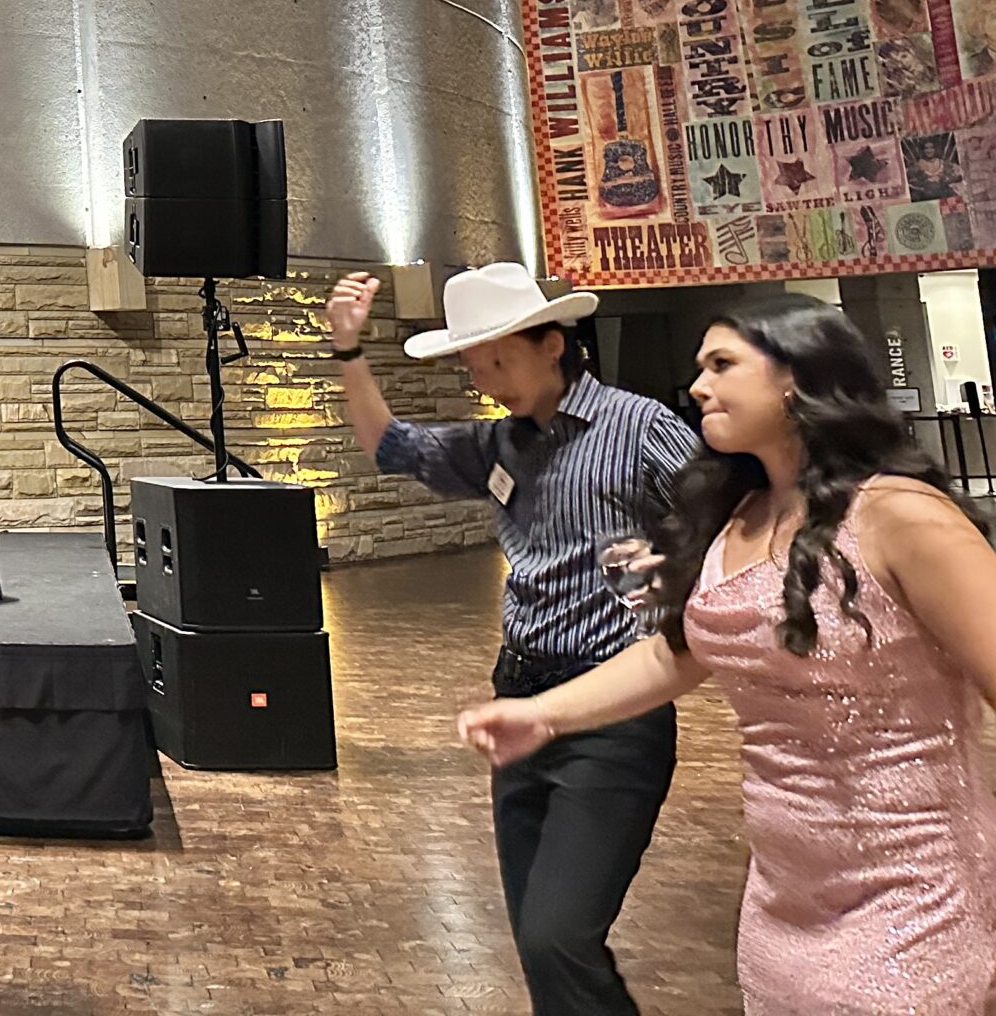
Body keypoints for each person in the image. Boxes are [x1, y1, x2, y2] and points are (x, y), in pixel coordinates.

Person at [462, 300, 996, 1015]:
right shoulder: (738, 518)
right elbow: (677, 655)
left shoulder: (900, 515)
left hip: (914, 893)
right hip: (784, 901)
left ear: (795, 378)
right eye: (699, 369)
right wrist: (543, 715)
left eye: (722, 365)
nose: (698, 387)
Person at [331, 262, 694, 1016]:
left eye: (499, 361)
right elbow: (389, 446)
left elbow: (724, 517)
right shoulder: (498, 444)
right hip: (518, 702)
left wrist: (672, 569)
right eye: (475, 367)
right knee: (536, 937)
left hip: (613, 712)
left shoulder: (639, 426)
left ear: (552, 343)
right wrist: (348, 350)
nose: (487, 381)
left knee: (560, 935)